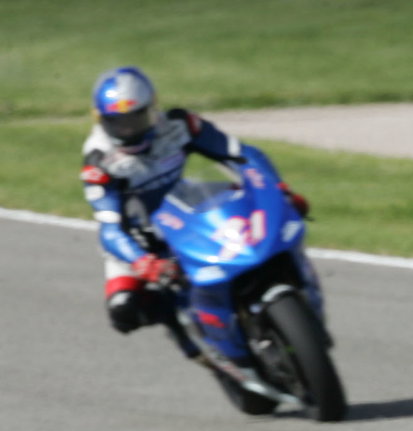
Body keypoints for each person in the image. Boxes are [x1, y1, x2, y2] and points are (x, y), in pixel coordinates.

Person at [79, 66, 309, 358]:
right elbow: (110, 230)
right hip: (141, 236)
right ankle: (191, 343)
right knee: (124, 309)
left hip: (193, 208)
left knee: (274, 229)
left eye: (137, 118)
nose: (129, 130)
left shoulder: (180, 124)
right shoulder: (99, 162)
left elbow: (242, 155)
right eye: (118, 123)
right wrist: (144, 263)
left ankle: (296, 298)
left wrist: (278, 191)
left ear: (153, 109)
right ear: (101, 121)